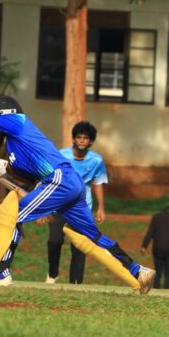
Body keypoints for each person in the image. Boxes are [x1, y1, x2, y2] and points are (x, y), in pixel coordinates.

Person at [0, 95, 154, 292]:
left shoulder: (17, 121)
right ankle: (138, 271)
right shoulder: (14, 148)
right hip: (68, 183)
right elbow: (29, 182)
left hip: (60, 179)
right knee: (92, 236)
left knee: (11, 216)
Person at [46, 121, 109, 284]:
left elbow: (98, 183)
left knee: (80, 245)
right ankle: (52, 274)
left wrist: (101, 207)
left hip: (82, 208)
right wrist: (45, 206)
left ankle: (76, 282)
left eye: (85, 138)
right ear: (73, 139)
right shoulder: (62, 156)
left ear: (91, 141)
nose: (82, 140)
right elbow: (51, 180)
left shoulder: (96, 160)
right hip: (60, 206)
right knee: (54, 241)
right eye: (79, 137)